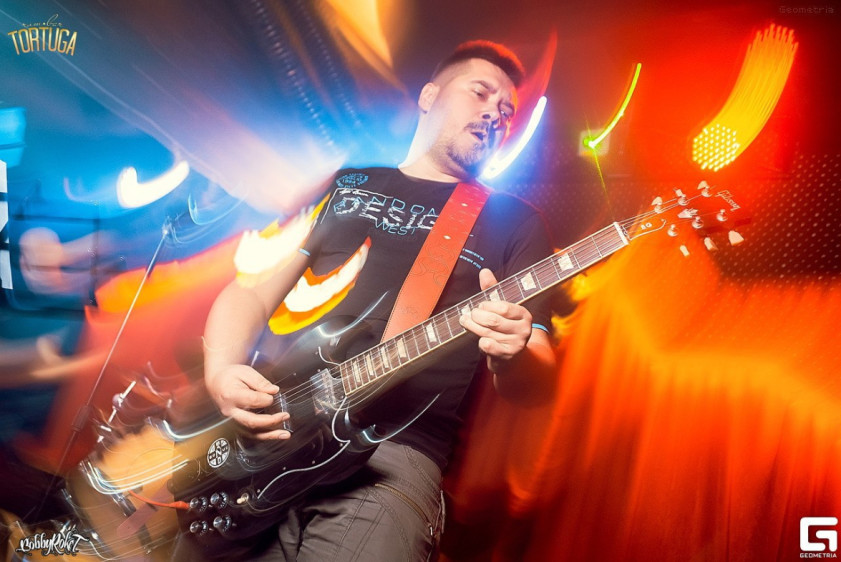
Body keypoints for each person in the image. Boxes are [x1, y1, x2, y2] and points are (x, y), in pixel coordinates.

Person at [198, 40, 558, 561]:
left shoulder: (516, 222)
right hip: (272, 440)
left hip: (390, 460)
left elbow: (538, 372)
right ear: (429, 96)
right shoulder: (348, 184)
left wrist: (516, 352)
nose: (494, 115)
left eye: (506, 111)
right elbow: (251, 290)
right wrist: (220, 372)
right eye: (480, 93)